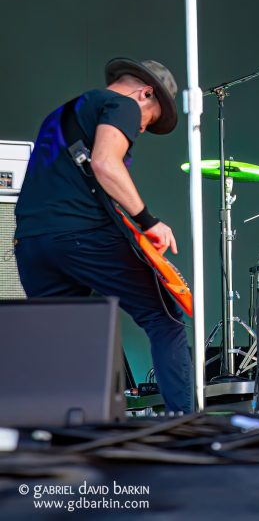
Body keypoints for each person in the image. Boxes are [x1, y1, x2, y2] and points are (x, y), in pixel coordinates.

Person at [14, 58, 193, 412]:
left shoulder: (61, 115)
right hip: (83, 234)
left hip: (32, 243)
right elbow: (105, 163)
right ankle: (184, 424)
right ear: (146, 93)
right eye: (149, 120)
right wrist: (149, 221)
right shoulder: (123, 105)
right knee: (165, 319)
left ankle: (61, 430)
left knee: (62, 340)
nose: (141, 129)